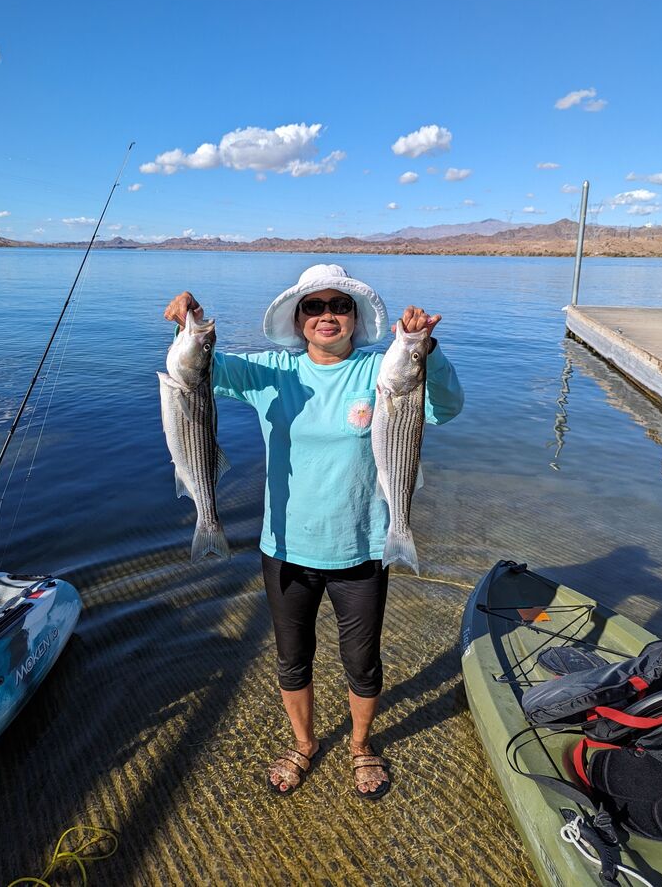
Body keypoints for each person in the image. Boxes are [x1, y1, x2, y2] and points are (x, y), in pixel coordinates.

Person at [164, 263, 463, 800]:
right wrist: (190, 320)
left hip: (364, 545)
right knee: (291, 657)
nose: (328, 315)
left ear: (356, 318)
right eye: (315, 307)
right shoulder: (272, 371)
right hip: (286, 548)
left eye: (340, 306)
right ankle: (304, 743)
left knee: (362, 660)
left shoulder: (381, 370)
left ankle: (361, 746)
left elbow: (446, 407)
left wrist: (426, 348)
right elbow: (201, 372)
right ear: (298, 319)